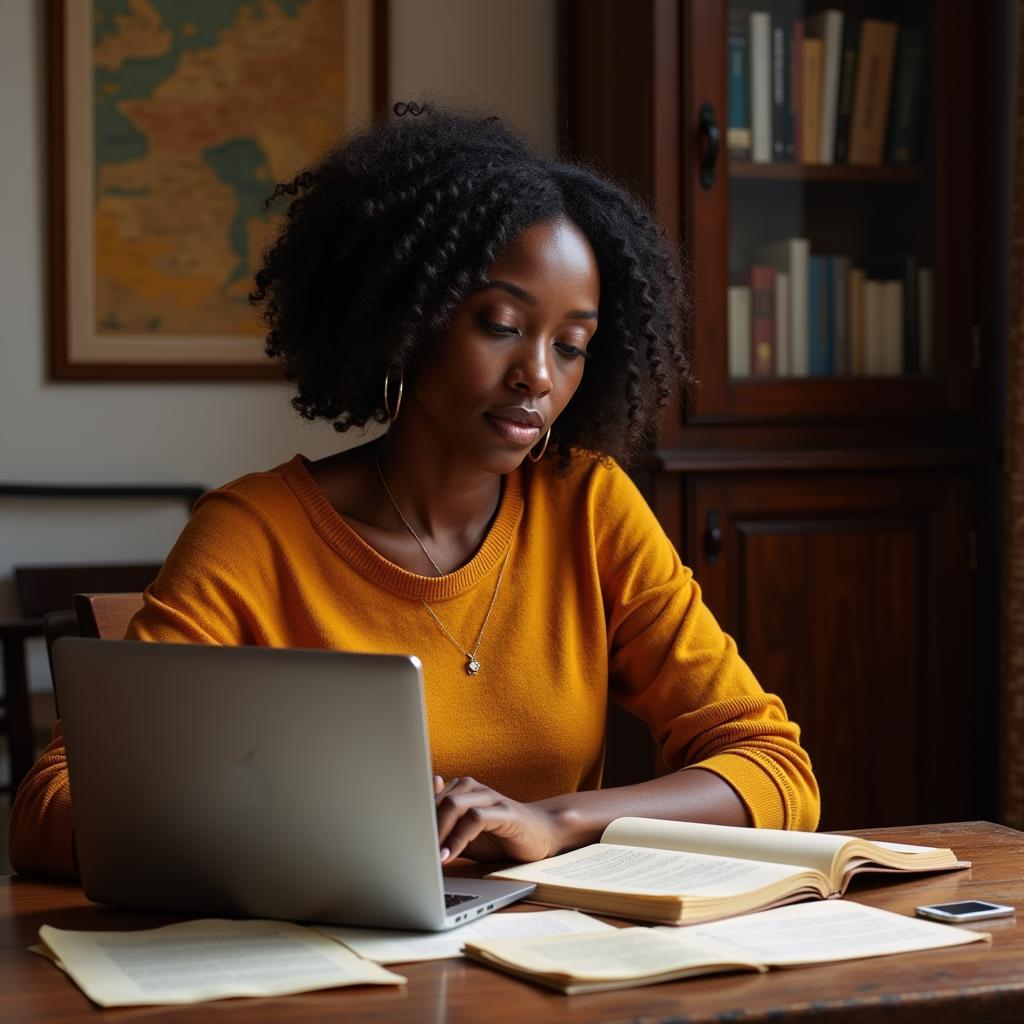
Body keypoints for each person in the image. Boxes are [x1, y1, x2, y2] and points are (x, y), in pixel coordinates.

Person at [9, 103, 819, 879]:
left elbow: (773, 767)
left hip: (555, 970)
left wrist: (557, 821)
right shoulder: (254, 534)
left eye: (572, 346)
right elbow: (54, 803)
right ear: (409, 316)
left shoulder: (589, 507)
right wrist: (304, 831)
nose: (537, 375)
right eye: (501, 324)